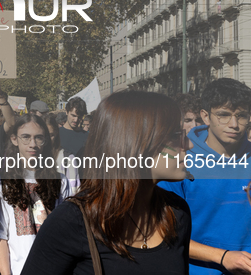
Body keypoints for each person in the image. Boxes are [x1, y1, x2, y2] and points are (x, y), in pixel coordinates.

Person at [21, 91, 192, 275]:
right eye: (176, 135)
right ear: (136, 142)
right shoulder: (71, 222)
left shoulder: (176, 213)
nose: (189, 144)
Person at [159, 78, 251, 275]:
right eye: (223, 115)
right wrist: (223, 257)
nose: (234, 124)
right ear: (205, 117)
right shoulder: (179, 164)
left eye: (241, 116)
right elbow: (162, 233)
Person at [0, 114, 73, 275]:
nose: (33, 144)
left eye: (39, 138)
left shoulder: (60, 181)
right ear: (14, 139)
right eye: (26, 137)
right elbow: (0, 235)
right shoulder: (0, 181)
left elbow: (65, 232)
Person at [44, 113, 80, 188]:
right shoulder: (31, 157)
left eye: (51, 135)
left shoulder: (68, 159)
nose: (46, 139)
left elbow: (73, 191)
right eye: (42, 135)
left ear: (56, 134)